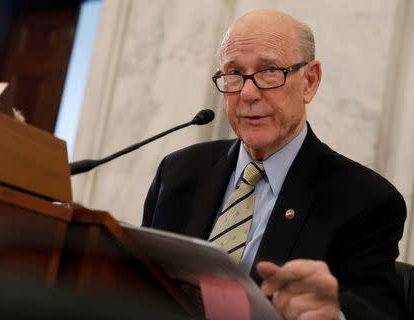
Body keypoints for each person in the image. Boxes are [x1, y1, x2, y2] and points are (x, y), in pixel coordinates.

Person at [142, 9, 407, 320]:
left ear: (309, 81)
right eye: (234, 73)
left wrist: (333, 315)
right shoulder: (178, 173)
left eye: (269, 71)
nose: (248, 93)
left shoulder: (365, 201)